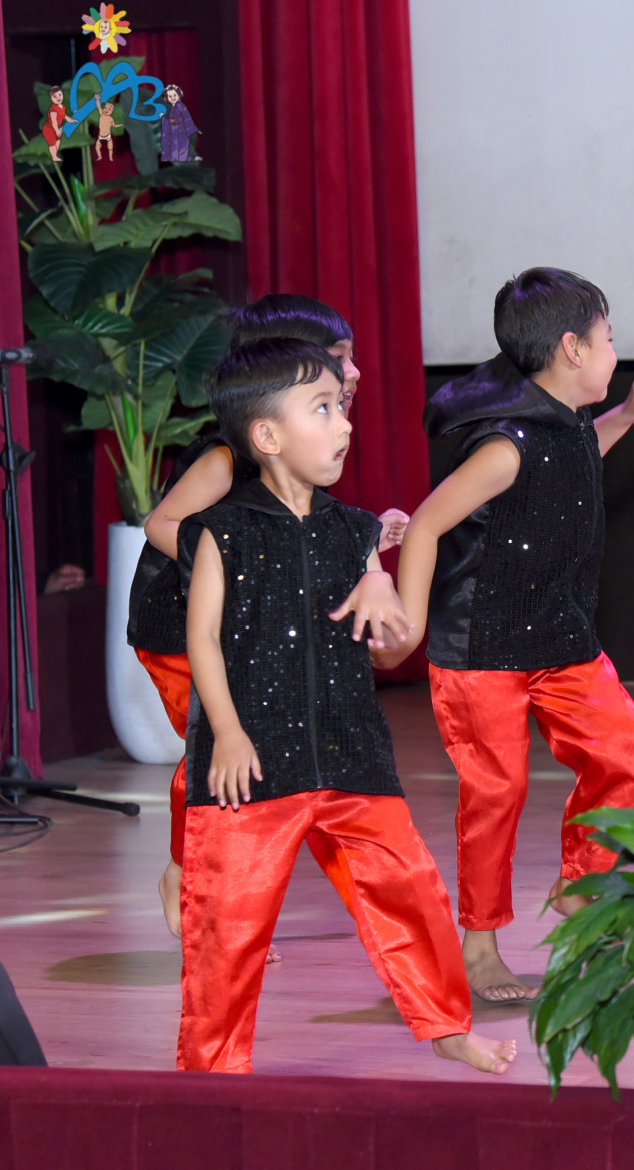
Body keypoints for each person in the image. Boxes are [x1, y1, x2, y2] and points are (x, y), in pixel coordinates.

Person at [177, 337, 513, 1075]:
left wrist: (383, 596)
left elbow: (386, 649)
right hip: (251, 763)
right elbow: (201, 638)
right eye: (323, 408)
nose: (345, 423)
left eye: (341, 406)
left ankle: (446, 1023)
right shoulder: (221, 533)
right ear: (268, 437)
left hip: (350, 751)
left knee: (412, 892)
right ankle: (209, 1073)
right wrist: (226, 732)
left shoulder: (354, 531)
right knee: (226, 928)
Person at [378, 267, 634, 1003]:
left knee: (616, 749)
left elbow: (581, 457)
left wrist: (629, 415)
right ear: (573, 349)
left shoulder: (567, 426)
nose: (615, 353)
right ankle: (479, 947)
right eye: (609, 339)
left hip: (561, 637)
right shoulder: (506, 447)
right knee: (495, 792)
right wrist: (410, 624)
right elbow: (428, 524)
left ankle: (582, 884)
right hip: (484, 650)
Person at [132, 295, 407, 950]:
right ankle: (188, 876)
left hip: (250, 629)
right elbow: (161, 524)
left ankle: (219, 884)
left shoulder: (302, 452)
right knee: (215, 745)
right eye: (338, 359)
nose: (355, 372)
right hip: (180, 630)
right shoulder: (226, 458)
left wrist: (362, 547)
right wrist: (231, 569)